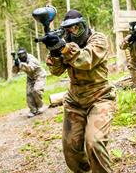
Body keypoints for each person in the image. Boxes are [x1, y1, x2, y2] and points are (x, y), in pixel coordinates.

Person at [41, 9, 116, 173]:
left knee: (94, 142)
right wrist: (55, 52)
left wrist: (64, 48)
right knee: (71, 149)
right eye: (69, 29)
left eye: (76, 27)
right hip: (75, 101)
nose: (73, 32)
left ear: (84, 25)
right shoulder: (66, 44)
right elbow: (57, 71)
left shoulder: (98, 39)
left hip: (100, 98)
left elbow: (86, 60)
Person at [12, 48, 46, 118]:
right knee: (29, 93)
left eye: (23, 54)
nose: (22, 56)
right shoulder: (18, 60)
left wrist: (20, 64)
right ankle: (33, 110)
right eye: (20, 55)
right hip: (30, 78)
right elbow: (15, 71)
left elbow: (30, 69)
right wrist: (16, 64)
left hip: (40, 75)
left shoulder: (32, 59)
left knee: (36, 90)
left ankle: (40, 106)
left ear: (26, 53)